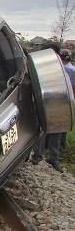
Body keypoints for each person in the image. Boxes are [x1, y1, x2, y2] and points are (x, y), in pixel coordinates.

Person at [32, 44, 69, 172]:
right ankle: (37, 156)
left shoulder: (61, 67)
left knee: (56, 130)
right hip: (43, 102)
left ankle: (52, 159)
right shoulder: (40, 65)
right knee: (42, 129)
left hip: (59, 103)